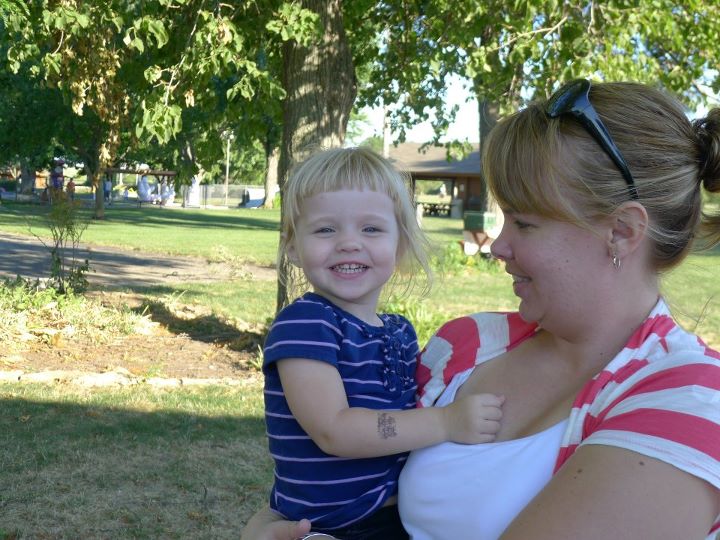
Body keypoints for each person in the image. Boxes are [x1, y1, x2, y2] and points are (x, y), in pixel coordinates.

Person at [243, 79, 720, 540]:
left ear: (621, 231)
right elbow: (340, 462)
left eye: (524, 223)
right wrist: (272, 523)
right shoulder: (467, 345)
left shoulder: (691, 401)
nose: (497, 246)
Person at [254, 147, 504, 540]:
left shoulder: (400, 331)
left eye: (370, 229)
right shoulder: (306, 324)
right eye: (325, 229)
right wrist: (447, 422)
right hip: (331, 524)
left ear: (399, 245)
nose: (349, 243)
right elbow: (334, 430)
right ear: (292, 248)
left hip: (398, 515)